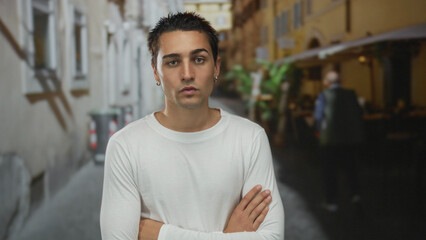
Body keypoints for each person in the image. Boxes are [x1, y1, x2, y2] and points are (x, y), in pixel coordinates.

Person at [100, 12, 284, 240]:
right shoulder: (125, 145)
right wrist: (230, 236)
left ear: (216, 67)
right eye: (173, 62)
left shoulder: (249, 138)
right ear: (156, 71)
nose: (187, 74)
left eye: (198, 59)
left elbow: (272, 238)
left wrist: (161, 234)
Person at [314, 70, 364, 212]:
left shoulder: (323, 96)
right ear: (340, 82)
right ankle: (355, 195)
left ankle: (331, 201)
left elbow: (318, 117)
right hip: (350, 139)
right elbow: (359, 112)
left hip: (330, 140)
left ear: (327, 83)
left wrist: (318, 133)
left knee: (330, 170)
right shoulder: (351, 94)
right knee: (351, 167)